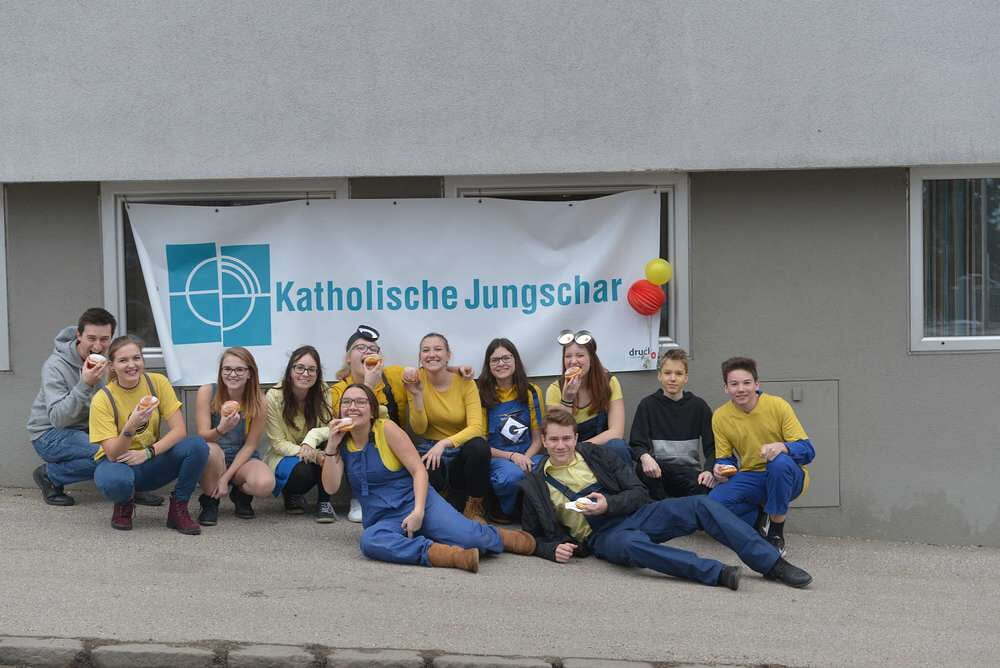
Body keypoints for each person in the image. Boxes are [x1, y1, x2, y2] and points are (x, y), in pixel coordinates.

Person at [519, 409, 813, 589]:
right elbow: (531, 534)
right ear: (543, 441)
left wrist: (609, 504)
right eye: (554, 439)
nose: (561, 445)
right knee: (633, 546)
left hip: (636, 513)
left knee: (701, 504)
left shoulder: (596, 454)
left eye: (566, 438)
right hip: (602, 537)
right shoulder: (534, 483)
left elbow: (638, 492)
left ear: (575, 438)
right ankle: (718, 573)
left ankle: (772, 564)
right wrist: (551, 549)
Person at [315, 383, 536, 572]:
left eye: (360, 402)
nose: (352, 407)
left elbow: (419, 471)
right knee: (370, 542)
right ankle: (448, 556)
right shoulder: (339, 441)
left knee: (470, 538)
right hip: (383, 518)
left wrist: (418, 512)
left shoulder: (386, 429)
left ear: (372, 410)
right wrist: (331, 446)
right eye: (347, 402)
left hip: (419, 502)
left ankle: (503, 537)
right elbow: (331, 487)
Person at [26, 308, 162, 507]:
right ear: (78, 335)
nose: (98, 346)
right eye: (91, 338)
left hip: (88, 429)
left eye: (104, 339)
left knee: (129, 439)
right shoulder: (55, 366)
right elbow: (58, 419)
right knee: (106, 453)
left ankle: (133, 485)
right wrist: (85, 384)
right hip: (49, 434)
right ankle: (50, 475)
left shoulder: (110, 362)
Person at [90, 335, 209, 534]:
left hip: (150, 459)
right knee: (115, 481)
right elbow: (112, 453)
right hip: (118, 464)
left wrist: (148, 452)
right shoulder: (102, 399)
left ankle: (178, 508)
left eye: (136, 358)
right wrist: (131, 425)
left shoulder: (157, 382)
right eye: (123, 360)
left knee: (197, 446)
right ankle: (124, 503)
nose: (132, 365)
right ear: (112, 366)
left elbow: (179, 430)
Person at [708, 356, 816, 556]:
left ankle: (776, 533)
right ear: (726, 388)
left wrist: (783, 447)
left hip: (789, 476)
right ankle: (758, 519)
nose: (741, 389)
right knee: (714, 504)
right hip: (752, 476)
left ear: (757, 384)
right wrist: (720, 469)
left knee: (779, 463)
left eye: (747, 383)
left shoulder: (778, 406)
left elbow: (808, 451)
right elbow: (725, 458)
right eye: (734, 384)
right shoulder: (720, 416)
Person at [406, 332, 492, 523]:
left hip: (459, 448)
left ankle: (474, 507)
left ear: (448, 355)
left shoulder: (465, 381)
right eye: (426, 350)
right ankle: (441, 503)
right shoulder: (415, 380)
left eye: (438, 349)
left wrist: (444, 443)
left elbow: (476, 428)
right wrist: (417, 396)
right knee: (422, 462)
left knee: (479, 447)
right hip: (431, 450)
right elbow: (419, 429)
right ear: (420, 356)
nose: (431, 354)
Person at [329, 325, 411, 523]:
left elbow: (430, 368)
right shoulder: (338, 390)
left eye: (373, 349)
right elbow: (348, 424)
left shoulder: (392, 376)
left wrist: (456, 369)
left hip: (392, 449)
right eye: (360, 348)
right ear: (348, 357)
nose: (367, 352)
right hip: (359, 454)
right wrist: (368, 385)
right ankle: (359, 496)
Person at [194, 347, 273, 524]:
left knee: (265, 484)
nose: (233, 374)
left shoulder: (259, 400)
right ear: (221, 371)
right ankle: (209, 501)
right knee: (210, 450)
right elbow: (202, 437)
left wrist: (225, 478)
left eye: (239, 370)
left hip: (242, 456)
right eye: (227, 369)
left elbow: (251, 445)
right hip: (214, 456)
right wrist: (221, 429)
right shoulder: (207, 392)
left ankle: (240, 495)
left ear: (250, 373)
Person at [629, 348, 716, 499]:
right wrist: (645, 457)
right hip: (659, 473)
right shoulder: (648, 405)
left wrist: (708, 470)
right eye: (667, 373)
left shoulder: (698, 406)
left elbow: (713, 447)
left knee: (706, 488)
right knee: (642, 469)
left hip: (689, 474)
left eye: (679, 374)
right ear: (659, 376)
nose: (673, 378)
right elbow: (636, 443)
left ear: (686, 378)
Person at [264, 345, 335, 522]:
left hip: (318, 449)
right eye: (300, 368)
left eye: (311, 369)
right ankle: (292, 493)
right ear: (290, 370)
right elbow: (277, 443)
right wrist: (311, 454)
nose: (305, 374)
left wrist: (312, 439)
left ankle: (324, 502)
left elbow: (330, 428)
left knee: (333, 449)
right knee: (302, 472)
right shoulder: (273, 396)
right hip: (285, 455)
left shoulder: (324, 391)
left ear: (318, 373)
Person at [476, 337, 544, 521]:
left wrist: (525, 458)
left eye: (506, 358)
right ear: (488, 365)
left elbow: (538, 439)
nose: (501, 364)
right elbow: (482, 445)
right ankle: (504, 510)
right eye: (495, 360)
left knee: (546, 470)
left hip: (529, 454)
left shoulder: (532, 391)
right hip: (498, 457)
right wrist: (513, 457)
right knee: (511, 476)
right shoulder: (480, 394)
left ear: (515, 360)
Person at [544, 330, 631, 465]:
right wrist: (567, 398)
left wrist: (583, 447)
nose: (573, 361)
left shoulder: (609, 383)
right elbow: (558, 434)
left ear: (591, 358)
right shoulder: (554, 389)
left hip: (602, 447)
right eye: (568, 356)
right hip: (570, 452)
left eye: (580, 355)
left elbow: (616, 432)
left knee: (618, 447)